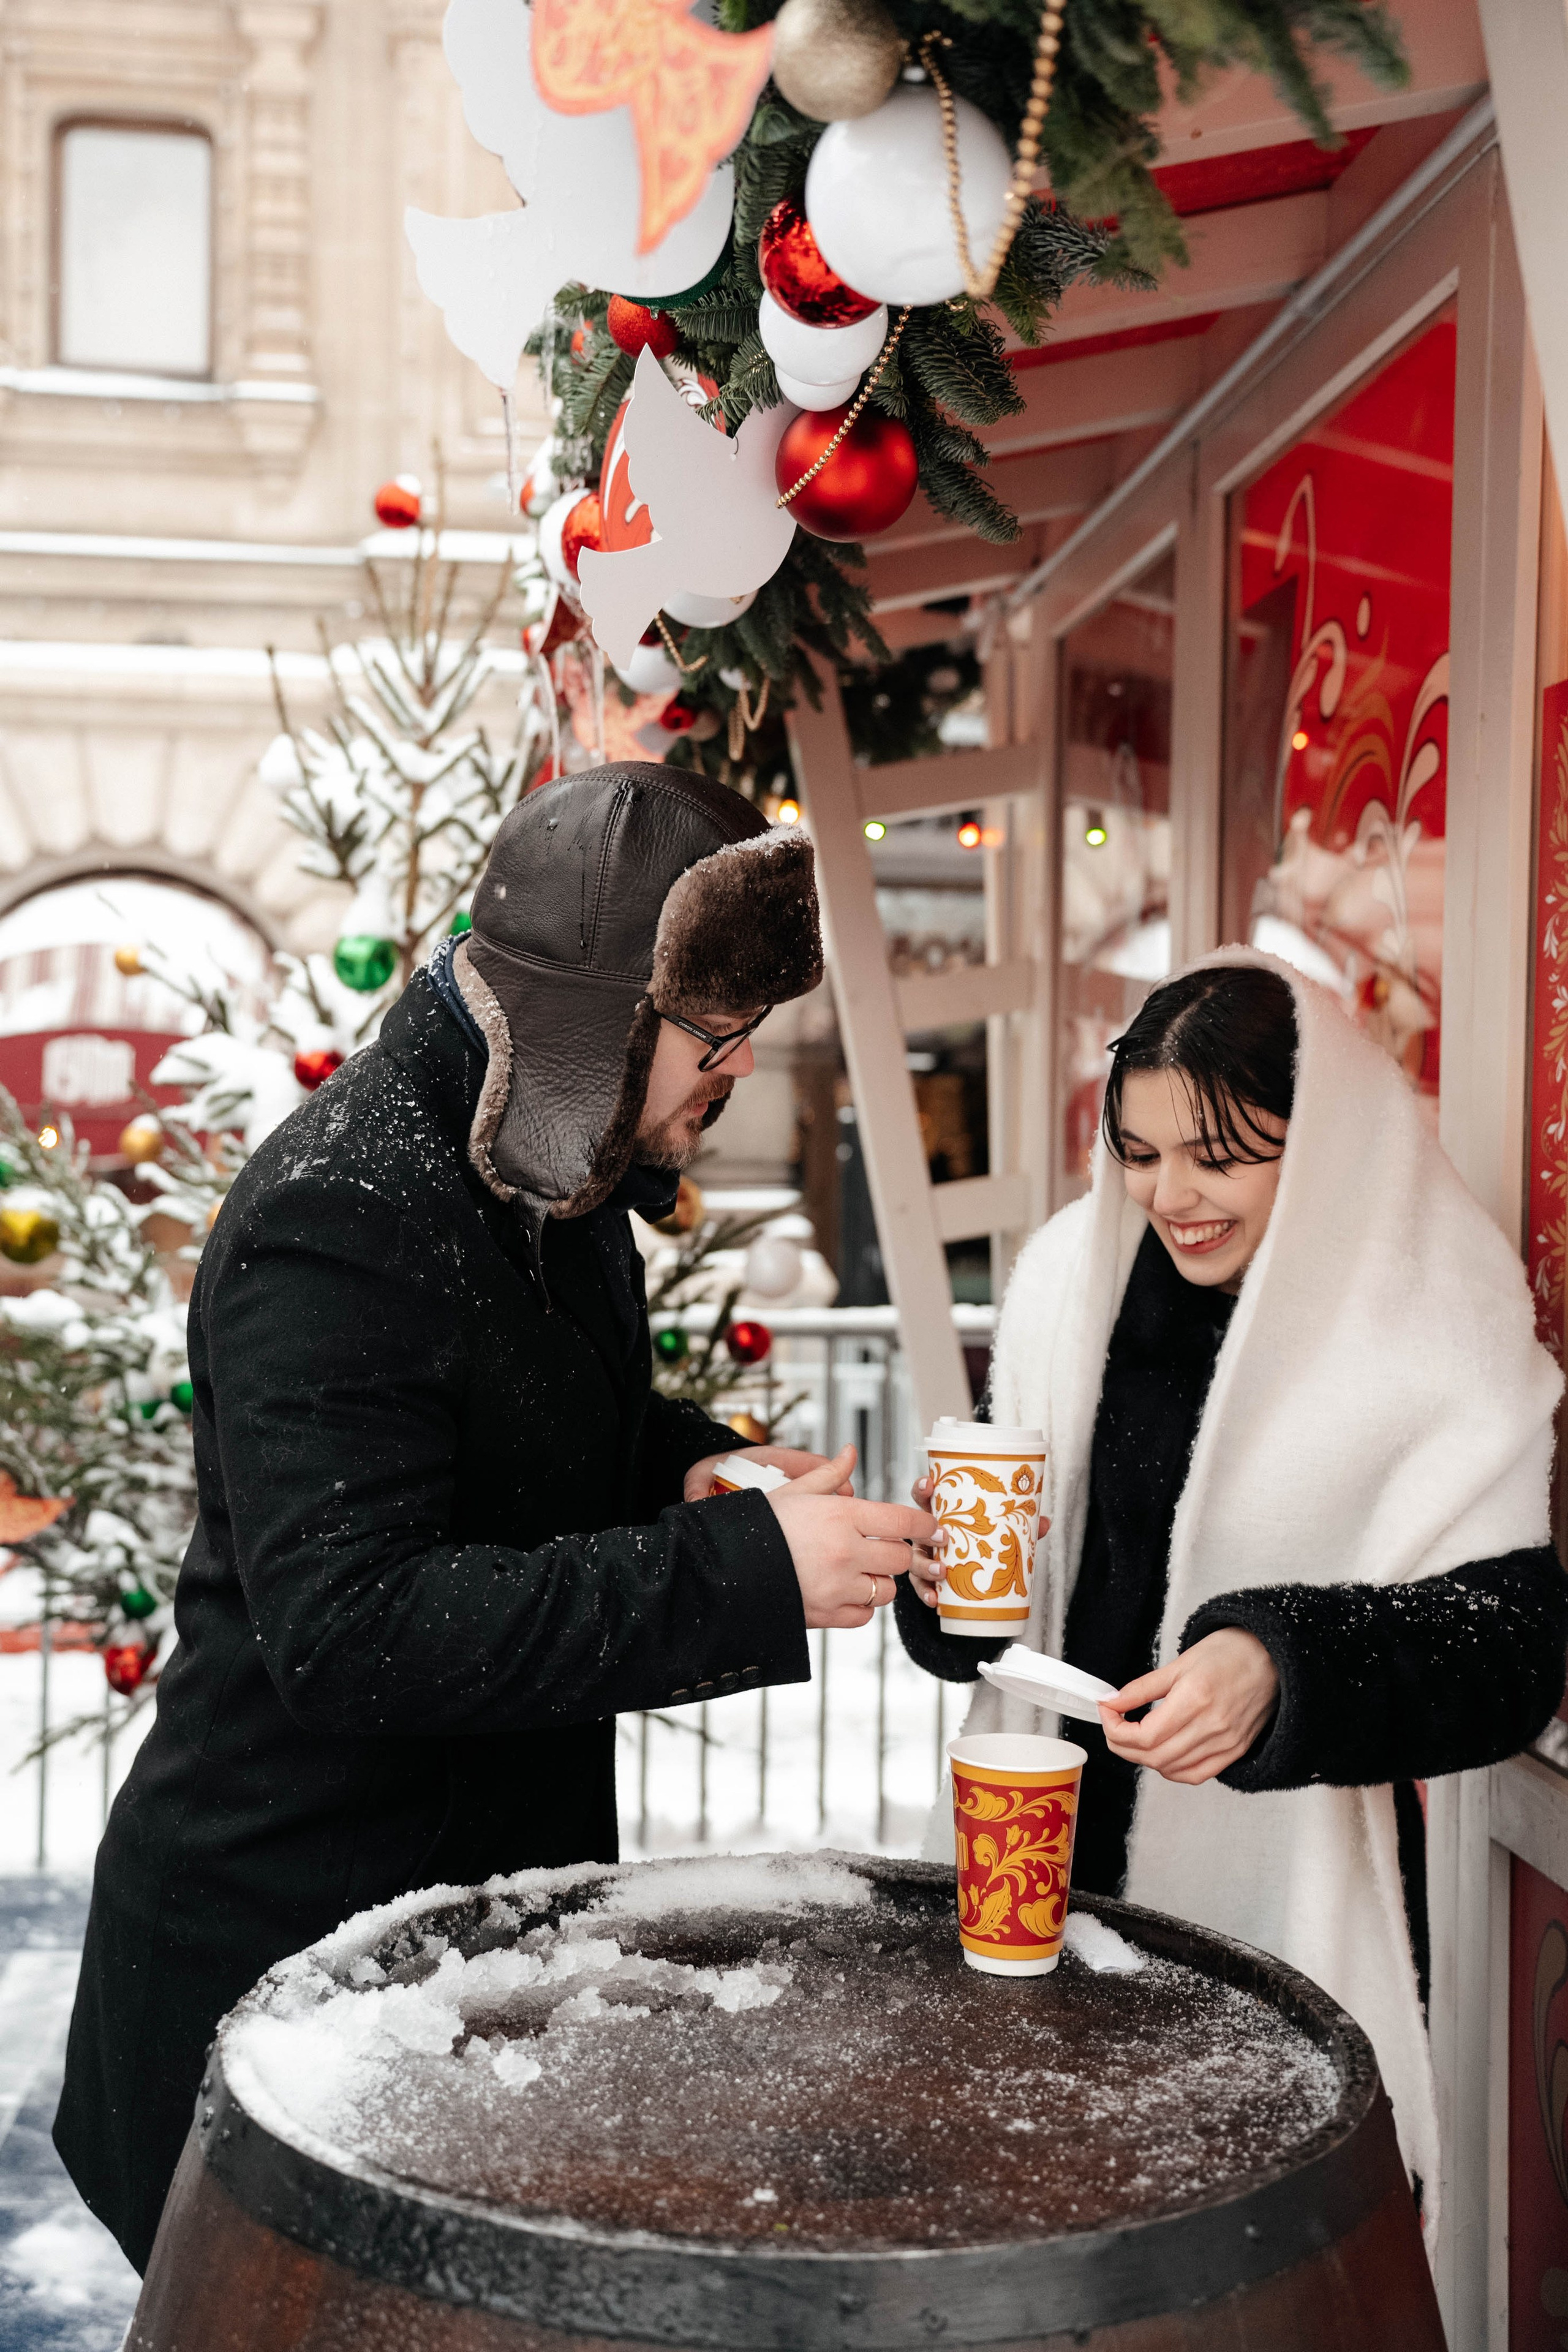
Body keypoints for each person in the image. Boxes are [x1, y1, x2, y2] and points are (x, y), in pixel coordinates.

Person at [58, 764, 935, 2271]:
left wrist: (697, 1472)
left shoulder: (548, 1169)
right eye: (714, 1038)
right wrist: (740, 1577)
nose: (730, 1071)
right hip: (283, 1967)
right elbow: (351, 1631)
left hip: (451, 1948)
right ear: (596, 1022)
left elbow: (531, 1428)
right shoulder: (337, 1217)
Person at [898, 950, 1568, 2207]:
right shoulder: (1066, 1279)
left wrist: (1283, 1664)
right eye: (1139, 1153)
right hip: (1038, 1864)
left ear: (1319, 1141)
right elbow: (1005, 1599)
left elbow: (1509, 1646)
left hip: (1285, 1908)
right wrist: (940, 1585)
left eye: (1217, 1154)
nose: (1169, 1194)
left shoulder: (1427, 1309)